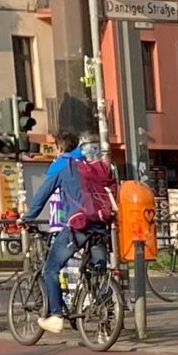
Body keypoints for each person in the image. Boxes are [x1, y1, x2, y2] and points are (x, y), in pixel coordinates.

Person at [25, 136, 119, 332]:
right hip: (101, 226)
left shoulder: (64, 167)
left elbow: (42, 195)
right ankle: (107, 325)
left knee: (50, 269)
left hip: (79, 226)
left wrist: (27, 218)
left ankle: (56, 315)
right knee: (97, 273)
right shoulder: (91, 166)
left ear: (59, 147)